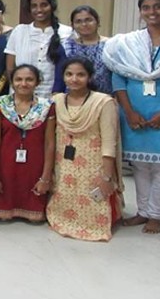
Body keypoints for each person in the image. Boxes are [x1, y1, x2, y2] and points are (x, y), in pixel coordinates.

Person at [103, 0, 160, 234]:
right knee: (139, 165)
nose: (152, 12)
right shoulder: (128, 42)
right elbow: (118, 75)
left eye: (158, 7)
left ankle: (157, 214)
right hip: (134, 106)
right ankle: (142, 212)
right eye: (146, 7)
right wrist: (129, 111)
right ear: (140, 11)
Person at [47, 57, 123, 241]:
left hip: (94, 164)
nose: (74, 79)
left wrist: (106, 176)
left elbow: (109, 141)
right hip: (64, 163)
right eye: (69, 74)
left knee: (95, 197)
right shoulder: (56, 101)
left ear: (89, 77)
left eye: (81, 74)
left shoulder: (103, 102)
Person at [0, 64, 54, 222]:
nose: (23, 84)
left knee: (35, 218)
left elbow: (49, 144)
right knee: (0, 214)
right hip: (5, 165)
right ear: (11, 82)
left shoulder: (47, 107)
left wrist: (45, 178)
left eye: (29, 79)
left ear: (37, 82)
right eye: (18, 79)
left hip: (35, 165)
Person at [5, 0, 72, 99]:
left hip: (53, 95)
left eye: (44, 5)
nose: (39, 9)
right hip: (21, 94)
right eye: (34, 6)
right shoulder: (19, 31)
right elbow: (10, 68)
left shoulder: (66, 32)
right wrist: (17, 88)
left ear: (52, 6)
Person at [64, 6, 111, 94]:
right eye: (78, 21)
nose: (84, 24)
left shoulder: (110, 44)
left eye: (88, 20)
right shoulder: (68, 45)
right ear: (72, 25)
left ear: (98, 22)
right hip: (74, 97)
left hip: (104, 98)